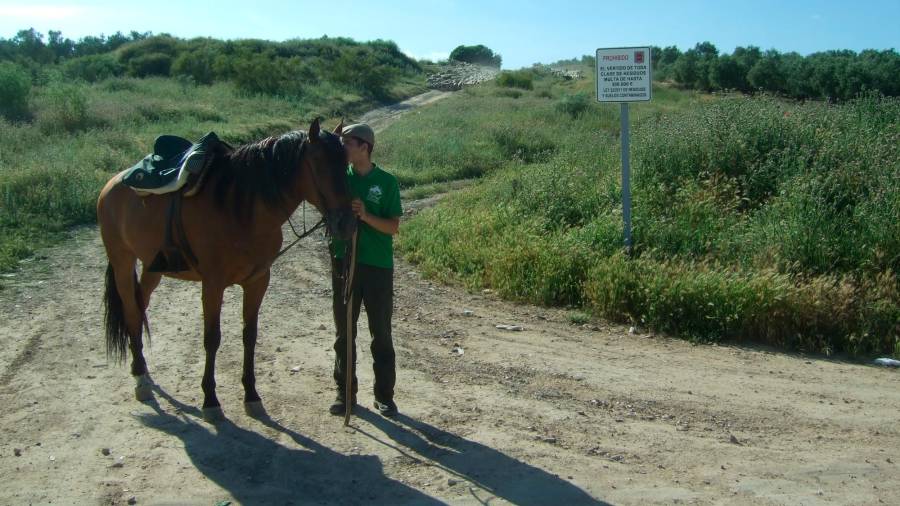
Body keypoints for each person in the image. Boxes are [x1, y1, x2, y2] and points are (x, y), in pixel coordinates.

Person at [329, 123, 402, 417]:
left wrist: (367, 216)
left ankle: (384, 396)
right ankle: (344, 393)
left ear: (364, 147)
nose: (343, 149)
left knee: (381, 333)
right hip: (344, 263)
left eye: (347, 143)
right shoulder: (338, 180)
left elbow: (393, 227)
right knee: (343, 333)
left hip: (377, 267)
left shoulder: (386, 182)